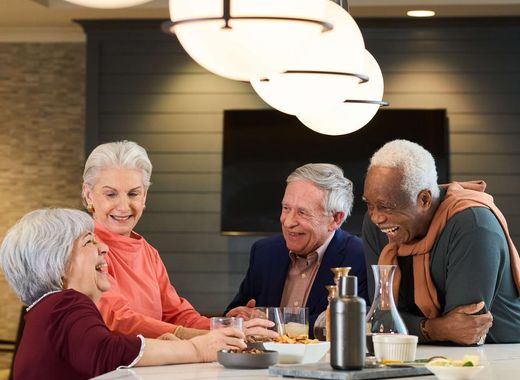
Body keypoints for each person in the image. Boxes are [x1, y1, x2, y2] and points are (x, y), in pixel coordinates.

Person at [0, 208, 247, 380]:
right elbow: (104, 352)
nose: (104, 248)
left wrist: (163, 347)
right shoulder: (66, 303)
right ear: (57, 263)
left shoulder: (46, 310)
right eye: (89, 242)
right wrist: (197, 349)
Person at [82, 140, 276, 340]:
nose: (124, 206)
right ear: (89, 195)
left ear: (145, 196)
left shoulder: (148, 252)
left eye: (133, 194)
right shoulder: (84, 249)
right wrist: (211, 335)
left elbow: (177, 314)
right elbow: (119, 320)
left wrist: (229, 327)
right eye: (111, 194)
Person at [362, 139, 520, 345]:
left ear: (425, 200)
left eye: (387, 206)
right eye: (370, 205)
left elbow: (465, 332)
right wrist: (435, 329)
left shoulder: (473, 224)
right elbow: (379, 320)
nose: (376, 217)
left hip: (501, 357)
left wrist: (404, 326)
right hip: (420, 354)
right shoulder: (379, 224)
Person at [225, 163, 369, 336]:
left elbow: (351, 324)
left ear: (335, 219)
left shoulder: (360, 257)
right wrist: (240, 317)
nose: (288, 222)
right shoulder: (264, 252)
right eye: (286, 208)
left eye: (302, 212)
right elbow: (235, 311)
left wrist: (274, 326)